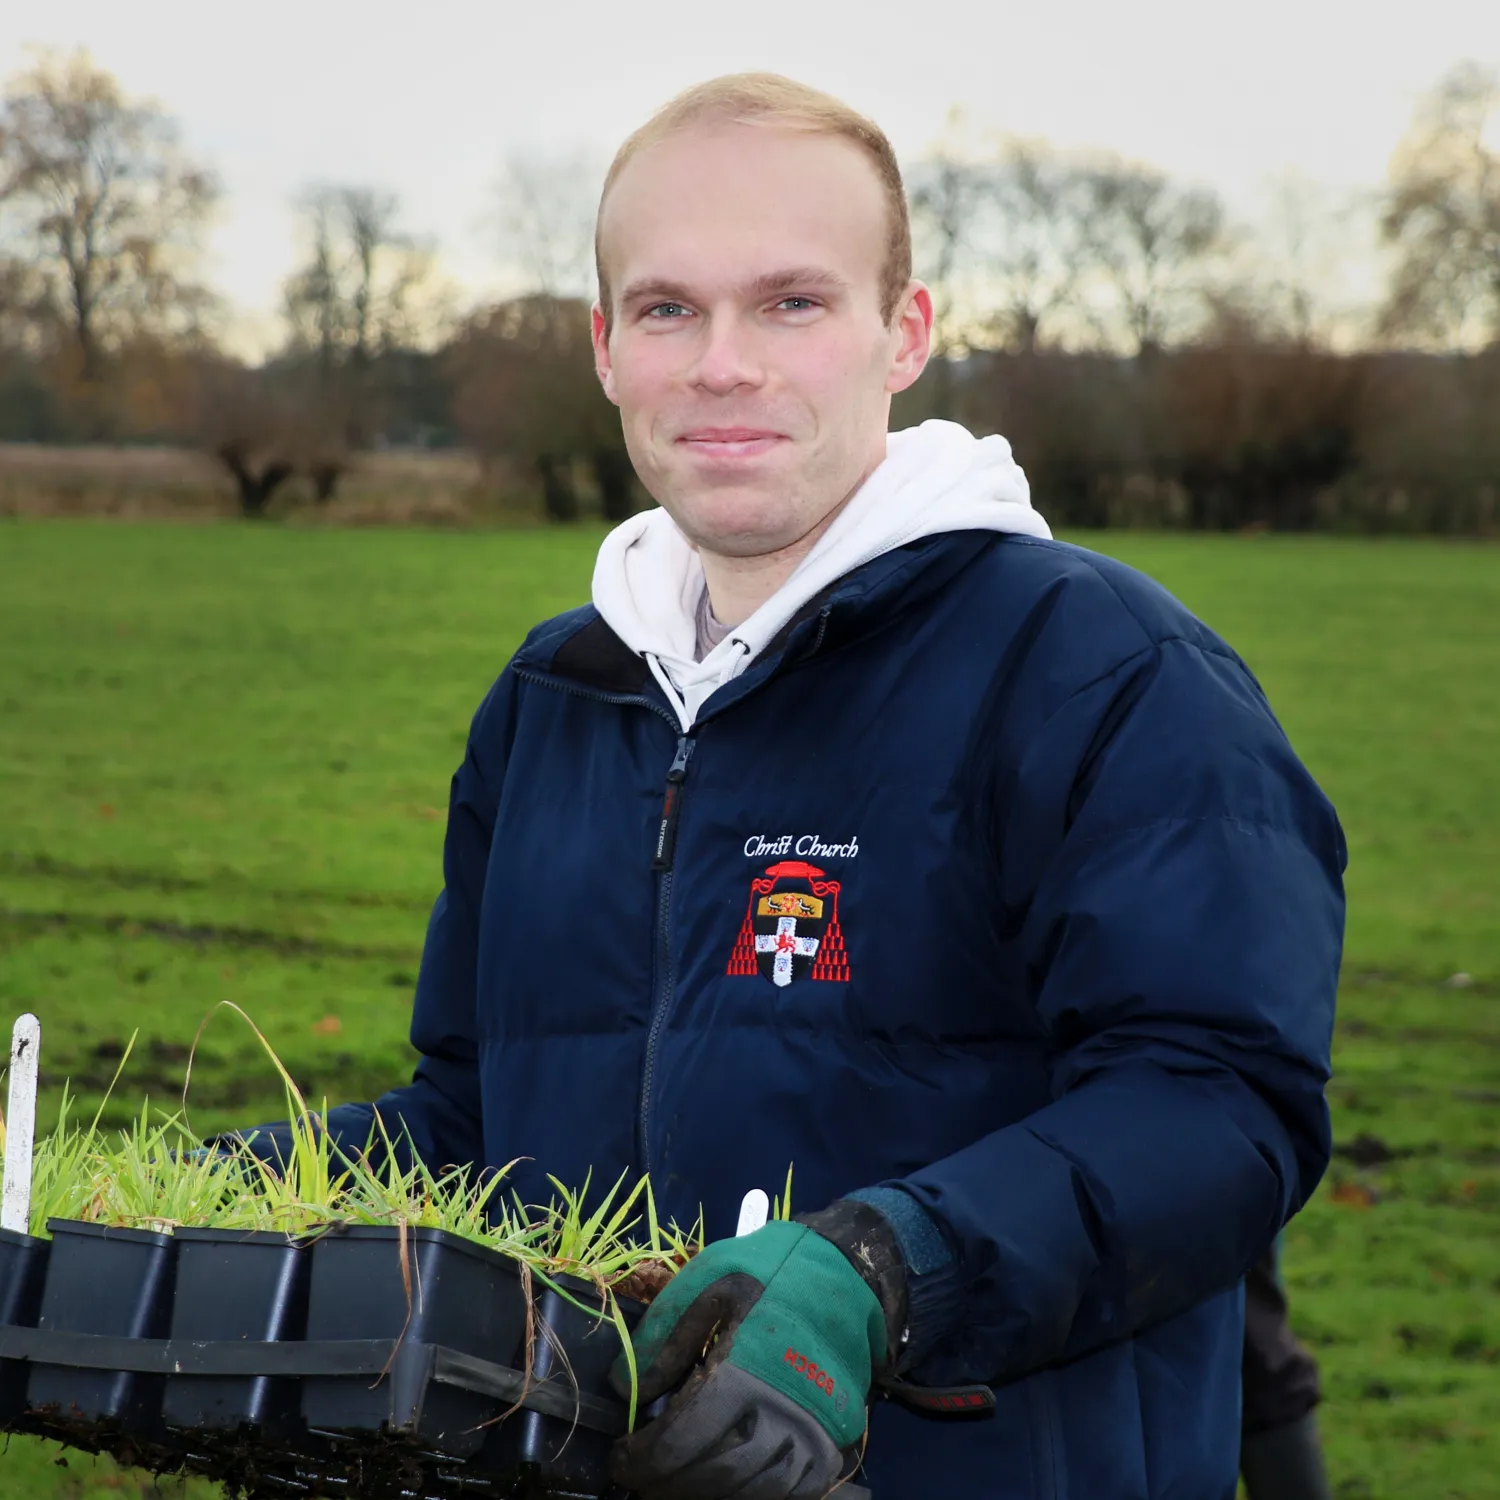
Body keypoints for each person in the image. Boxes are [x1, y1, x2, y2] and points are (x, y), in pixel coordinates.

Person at [237, 74, 1346, 1500]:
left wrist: (888, 1269)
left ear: (906, 333)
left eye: (791, 304)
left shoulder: (1103, 674)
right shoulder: (554, 699)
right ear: (604, 348)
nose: (722, 363)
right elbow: (471, 1126)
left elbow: (1219, 1106)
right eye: (666, 309)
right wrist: (162, 1204)